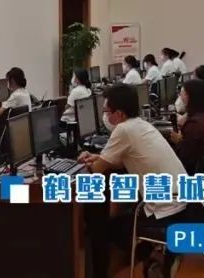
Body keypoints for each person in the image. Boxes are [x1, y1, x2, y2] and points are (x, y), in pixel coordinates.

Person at [79, 84, 188, 278]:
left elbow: (96, 170)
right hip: (180, 198)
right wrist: (98, 157)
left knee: (106, 225)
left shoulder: (124, 130)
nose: (105, 116)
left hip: (165, 207)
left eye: (106, 111)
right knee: (117, 210)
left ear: (119, 114)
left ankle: (152, 259)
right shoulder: (141, 125)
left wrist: (84, 163)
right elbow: (120, 160)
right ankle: (153, 257)